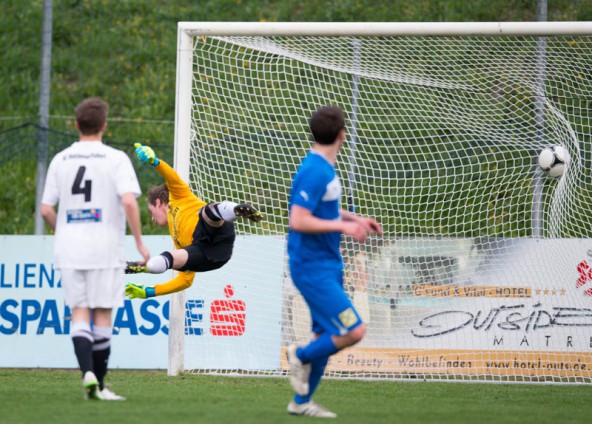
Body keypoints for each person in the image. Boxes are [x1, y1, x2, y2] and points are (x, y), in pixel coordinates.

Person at [40, 97, 150, 401]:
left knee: (78, 313)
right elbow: (128, 201)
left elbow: (46, 209)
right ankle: (99, 386)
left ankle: (86, 373)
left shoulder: (61, 159)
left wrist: (62, 231)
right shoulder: (115, 159)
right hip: (105, 248)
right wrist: (139, 241)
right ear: (104, 125)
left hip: (70, 248)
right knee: (102, 314)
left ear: (76, 125)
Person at [286, 105, 382, 418]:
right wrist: (344, 227)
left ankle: (301, 403)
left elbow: (324, 211)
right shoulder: (314, 171)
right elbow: (298, 220)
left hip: (327, 264)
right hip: (312, 269)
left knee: (324, 336)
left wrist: (355, 218)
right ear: (343, 134)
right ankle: (299, 355)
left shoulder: (324, 169)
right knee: (354, 331)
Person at [124, 143, 262, 299]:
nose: (152, 219)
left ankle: (237, 209)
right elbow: (185, 280)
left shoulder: (178, 196)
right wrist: (150, 292)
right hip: (210, 254)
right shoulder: (176, 238)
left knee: (207, 212)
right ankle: (139, 267)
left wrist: (155, 162)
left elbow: (172, 177)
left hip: (217, 230)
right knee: (171, 256)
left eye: (151, 212)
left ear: (158, 202)